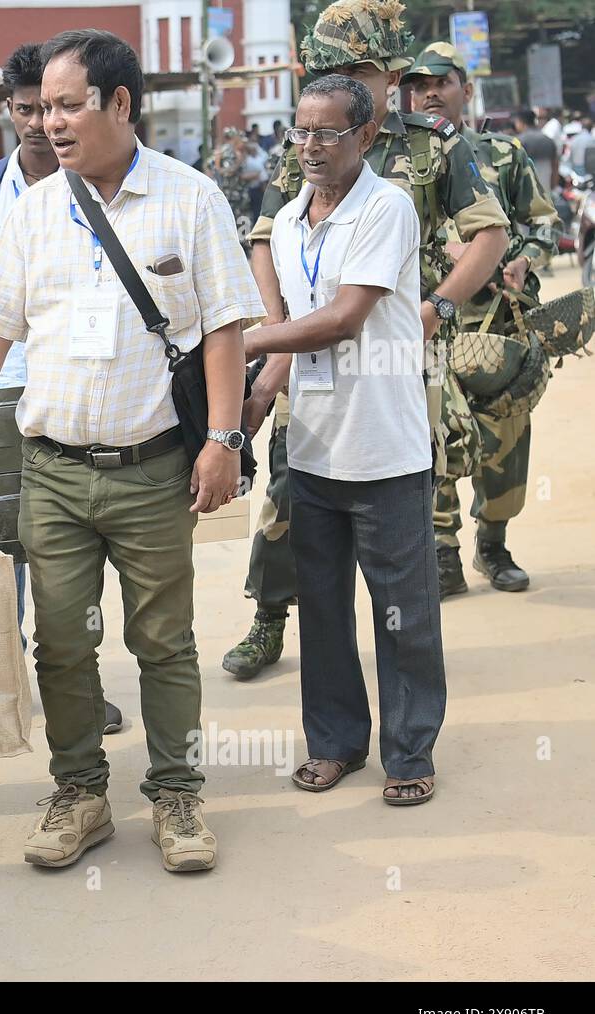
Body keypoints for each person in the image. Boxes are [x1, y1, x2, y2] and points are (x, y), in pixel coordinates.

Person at [0, 30, 264, 872]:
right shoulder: (34, 211)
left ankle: (178, 795)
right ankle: (80, 793)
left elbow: (226, 329)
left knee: (164, 640)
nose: (51, 123)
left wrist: (222, 440)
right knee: (64, 643)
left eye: (69, 105)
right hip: (53, 472)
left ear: (120, 103)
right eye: (43, 107)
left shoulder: (191, 198)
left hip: (156, 470)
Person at [223, 0, 507, 682]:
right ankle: (269, 617)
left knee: (397, 503)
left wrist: (434, 307)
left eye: (355, 68)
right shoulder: (310, 142)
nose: (340, 78)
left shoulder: (431, 145)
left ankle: (409, 664)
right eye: (328, 68)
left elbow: (488, 234)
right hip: (310, 355)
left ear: (389, 74)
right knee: (290, 489)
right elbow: (267, 243)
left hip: (394, 362)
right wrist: (278, 343)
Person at [243, 74, 445, 806]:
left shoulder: (385, 207)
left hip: (384, 449)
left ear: (364, 136)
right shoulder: (292, 220)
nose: (310, 146)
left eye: (328, 132)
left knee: (403, 614)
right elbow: (297, 337)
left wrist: (244, 343)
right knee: (323, 609)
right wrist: (263, 388)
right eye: (301, 131)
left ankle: (410, 751)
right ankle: (334, 743)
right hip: (316, 450)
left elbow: (342, 319)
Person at [0, 42, 124, 734]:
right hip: (5, 399)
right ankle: (2, 690)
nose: (41, 123)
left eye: (53, 106)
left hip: (82, 392)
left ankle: (77, 691)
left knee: (70, 556)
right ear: (9, 112)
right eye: (26, 109)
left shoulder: (102, 182)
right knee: (2, 554)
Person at [405, 43, 562, 598]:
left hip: (501, 331)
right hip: (433, 330)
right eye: (417, 84)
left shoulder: (503, 154)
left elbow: (544, 223)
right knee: (436, 440)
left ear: (466, 90)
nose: (428, 93)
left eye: (441, 82)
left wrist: (525, 258)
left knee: (507, 439)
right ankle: (442, 552)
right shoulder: (401, 165)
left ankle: (493, 543)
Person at [513, 109, 558, 193]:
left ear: (520, 122)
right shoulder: (548, 140)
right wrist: (553, 185)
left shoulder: (518, 141)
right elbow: (555, 165)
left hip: (526, 192)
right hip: (546, 189)